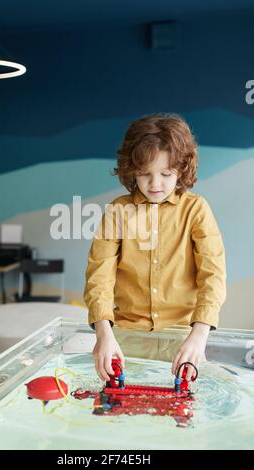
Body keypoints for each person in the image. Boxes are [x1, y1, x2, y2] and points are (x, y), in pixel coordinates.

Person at [83, 113, 226, 383]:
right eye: (144, 174)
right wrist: (103, 334)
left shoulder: (197, 210)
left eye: (166, 173)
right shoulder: (118, 211)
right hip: (125, 336)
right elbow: (98, 276)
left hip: (185, 337)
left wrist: (198, 336)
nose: (155, 184)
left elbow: (213, 277)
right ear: (131, 170)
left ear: (181, 170)